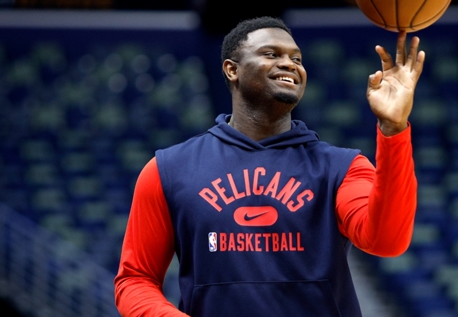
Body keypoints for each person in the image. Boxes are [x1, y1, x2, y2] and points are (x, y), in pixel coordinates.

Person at [114, 16, 425, 317]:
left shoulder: (342, 168)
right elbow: (134, 280)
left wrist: (393, 129)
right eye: (271, 54)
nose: (290, 64)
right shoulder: (168, 170)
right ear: (231, 69)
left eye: (297, 59)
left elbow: (387, 241)